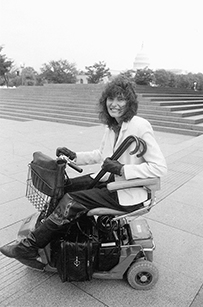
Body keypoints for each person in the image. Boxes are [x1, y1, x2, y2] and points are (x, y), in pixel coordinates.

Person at [0, 76, 167, 265]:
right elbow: (102, 155)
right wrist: (74, 156)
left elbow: (159, 167)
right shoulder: (113, 125)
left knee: (72, 201)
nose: (114, 104)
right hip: (112, 180)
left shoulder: (140, 126)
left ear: (130, 103)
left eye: (121, 99)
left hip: (127, 192)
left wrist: (123, 169)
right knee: (65, 187)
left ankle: (28, 248)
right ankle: (56, 238)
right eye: (111, 99)